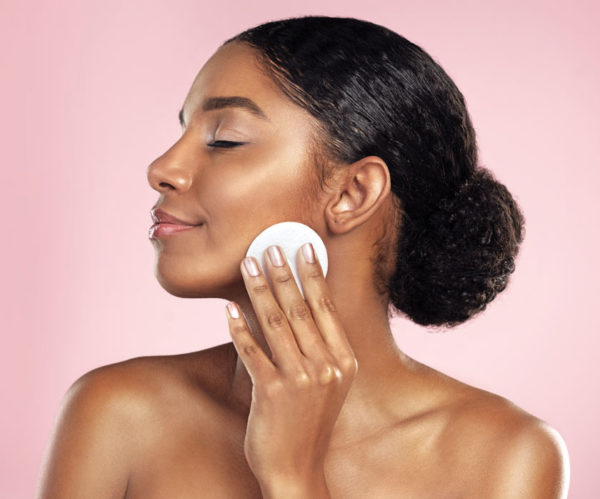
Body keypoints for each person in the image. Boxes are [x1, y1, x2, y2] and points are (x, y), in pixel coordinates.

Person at [36, 15, 569, 498]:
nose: (163, 167)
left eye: (223, 139)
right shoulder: (117, 413)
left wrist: (293, 477)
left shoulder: (505, 456)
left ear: (352, 193)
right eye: (182, 132)